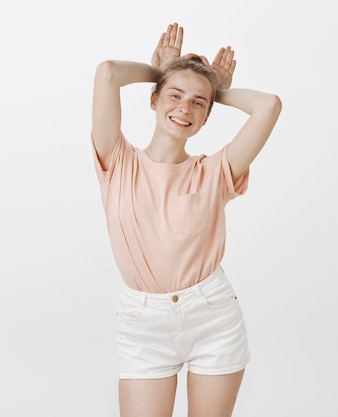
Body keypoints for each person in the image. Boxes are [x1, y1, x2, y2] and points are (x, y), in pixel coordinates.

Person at [90, 22, 281, 417]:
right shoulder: (118, 161)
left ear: (207, 117)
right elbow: (107, 72)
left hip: (212, 316)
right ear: (154, 100)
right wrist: (161, 69)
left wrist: (216, 88)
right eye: (174, 95)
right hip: (143, 325)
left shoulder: (214, 172)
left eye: (198, 103)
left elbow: (269, 106)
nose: (184, 108)